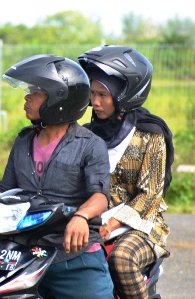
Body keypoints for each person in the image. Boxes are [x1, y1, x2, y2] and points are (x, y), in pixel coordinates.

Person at [0, 54, 114, 298]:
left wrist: (81, 216)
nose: (27, 97)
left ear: (59, 99)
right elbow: (5, 190)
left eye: (36, 92)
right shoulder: (23, 140)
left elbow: (99, 196)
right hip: (24, 252)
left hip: (72, 254)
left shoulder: (90, 145)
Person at [78, 45, 173, 299]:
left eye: (103, 95)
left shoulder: (151, 134)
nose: (95, 102)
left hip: (141, 224)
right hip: (96, 219)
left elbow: (150, 195)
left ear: (124, 95)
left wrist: (113, 222)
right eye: (92, 93)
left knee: (121, 258)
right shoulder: (87, 133)